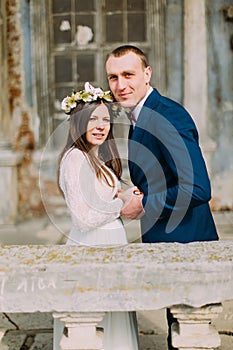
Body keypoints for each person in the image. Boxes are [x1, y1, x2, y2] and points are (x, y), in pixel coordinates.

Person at [105, 45, 219, 350]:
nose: (120, 85)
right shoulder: (140, 114)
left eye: (128, 74)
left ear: (147, 73)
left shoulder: (167, 115)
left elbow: (197, 188)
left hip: (187, 243)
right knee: (178, 332)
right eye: (113, 77)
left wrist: (143, 204)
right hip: (169, 240)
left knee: (190, 336)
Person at [55, 82, 139, 350]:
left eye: (105, 119)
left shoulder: (95, 157)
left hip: (109, 244)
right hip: (91, 246)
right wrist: (122, 207)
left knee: (114, 315)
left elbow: (99, 200)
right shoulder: (75, 159)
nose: (101, 126)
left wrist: (125, 195)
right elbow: (84, 217)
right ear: (78, 123)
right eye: (93, 119)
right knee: (97, 320)